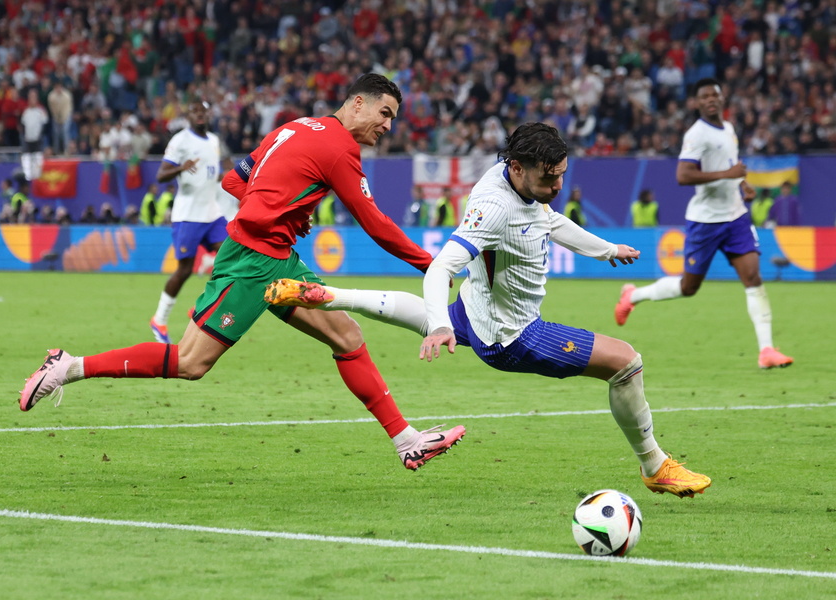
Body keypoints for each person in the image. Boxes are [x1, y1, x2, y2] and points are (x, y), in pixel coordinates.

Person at [19, 74, 465, 472]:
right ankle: (69, 367)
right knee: (191, 363)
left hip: (277, 257)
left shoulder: (294, 126)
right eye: (384, 114)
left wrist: (280, 203)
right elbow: (375, 223)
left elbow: (235, 181)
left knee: (347, 337)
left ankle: (407, 442)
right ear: (357, 104)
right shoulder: (339, 148)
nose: (388, 126)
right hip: (252, 262)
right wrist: (435, 265)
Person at [267, 123, 711, 498]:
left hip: (476, 313)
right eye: (549, 178)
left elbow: (550, 220)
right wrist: (441, 326)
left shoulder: (520, 184)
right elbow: (441, 267)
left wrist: (605, 250)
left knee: (418, 313)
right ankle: (655, 466)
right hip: (513, 335)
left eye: (560, 175)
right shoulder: (494, 209)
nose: (557, 186)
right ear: (517, 168)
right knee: (626, 362)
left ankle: (326, 294)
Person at [615, 78, 793, 370]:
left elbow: (731, 165)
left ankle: (767, 351)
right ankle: (632, 295)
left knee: (753, 278)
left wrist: (742, 183)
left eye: (715, 94)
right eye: (704, 96)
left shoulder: (729, 129)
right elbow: (683, 176)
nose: (710, 99)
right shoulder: (696, 134)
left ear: (722, 99)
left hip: (735, 217)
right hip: (705, 221)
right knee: (688, 287)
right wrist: (728, 173)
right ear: (697, 103)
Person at [150, 100, 229, 344]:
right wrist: (181, 168)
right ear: (188, 115)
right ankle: (159, 320)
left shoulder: (214, 141)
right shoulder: (180, 141)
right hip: (188, 215)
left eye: (203, 111)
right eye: (195, 111)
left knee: (231, 256)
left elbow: (210, 174)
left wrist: (226, 177)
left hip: (212, 212)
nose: (200, 115)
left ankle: (200, 307)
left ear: (209, 113)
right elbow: (161, 175)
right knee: (184, 270)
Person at [20, 89, 48, 182]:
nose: (32, 100)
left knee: (38, 158)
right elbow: (23, 124)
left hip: (38, 139)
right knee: (27, 158)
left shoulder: (40, 111)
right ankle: (28, 177)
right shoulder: (26, 112)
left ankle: (38, 177)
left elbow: (45, 123)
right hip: (28, 139)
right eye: (30, 97)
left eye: (34, 97)